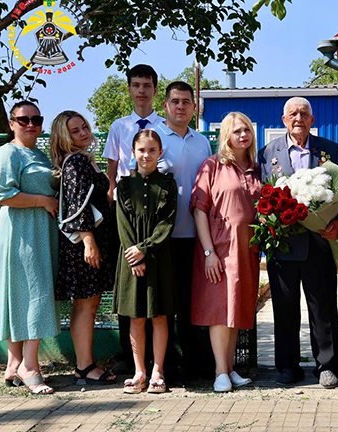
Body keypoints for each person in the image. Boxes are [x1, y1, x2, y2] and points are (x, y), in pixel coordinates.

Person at [258, 97, 338, 389]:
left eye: (304, 113)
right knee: (284, 308)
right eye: (293, 114)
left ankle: (327, 366)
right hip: (282, 243)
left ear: (312, 120)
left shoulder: (329, 149)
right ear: (284, 120)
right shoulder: (267, 152)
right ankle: (288, 366)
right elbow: (260, 195)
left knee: (322, 308)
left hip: (319, 240)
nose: (298, 118)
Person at [0, 101, 59, 394]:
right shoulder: (7, 153)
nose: (31, 124)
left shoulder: (39, 154)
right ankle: (30, 367)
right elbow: (1, 195)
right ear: (11, 123)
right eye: (23, 119)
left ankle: (13, 364)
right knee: (34, 293)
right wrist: (43, 200)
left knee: (21, 294)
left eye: (36, 119)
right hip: (20, 233)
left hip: (39, 232)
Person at [190, 112, 262, 392]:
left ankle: (230, 369)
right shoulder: (212, 166)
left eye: (247, 130)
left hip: (247, 249)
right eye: (236, 131)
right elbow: (199, 210)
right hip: (219, 247)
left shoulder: (256, 169)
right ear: (226, 136)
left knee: (236, 307)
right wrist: (209, 252)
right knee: (220, 309)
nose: (243, 135)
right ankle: (220, 372)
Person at [102, 64, 165, 374]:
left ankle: (161, 361)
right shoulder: (119, 126)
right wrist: (113, 200)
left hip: (155, 212)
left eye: (147, 85)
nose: (141, 90)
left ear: (155, 90)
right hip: (127, 214)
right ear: (129, 89)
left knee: (156, 291)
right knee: (130, 288)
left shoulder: (164, 126)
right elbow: (112, 172)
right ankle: (131, 358)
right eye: (136, 85)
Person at [50, 111, 118, 386]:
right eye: (75, 131)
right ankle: (84, 366)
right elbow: (78, 204)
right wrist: (89, 242)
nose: (84, 133)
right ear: (64, 137)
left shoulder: (82, 159)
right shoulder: (77, 161)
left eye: (84, 127)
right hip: (85, 243)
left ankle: (85, 364)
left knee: (88, 303)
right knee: (86, 304)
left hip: (91, 241)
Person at [153, 81, 213, 379]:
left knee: (192, 304)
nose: (180, 106)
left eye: (186, 102)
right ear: (165, 105)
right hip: (162, 238)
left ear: (193, 107)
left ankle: (194, 365)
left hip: (196, 237)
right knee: (165, 305)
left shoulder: (202, 142)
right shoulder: (153, 138)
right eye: (175, 101)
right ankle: (165, 366)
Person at [113, 129, 178, 394]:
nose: (146, 155)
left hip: (158, 257)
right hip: (131, 260)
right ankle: (139, 372)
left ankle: (157, 372)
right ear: (133, 152)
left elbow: (167, 223)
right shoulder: (124, 185)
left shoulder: (168, 185)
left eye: (152, 150)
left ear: (160, 152)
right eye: (141, 150)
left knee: (159, 316)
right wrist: (134, 255)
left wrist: (144, 249)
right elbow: (122, 223)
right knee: (136, 316)